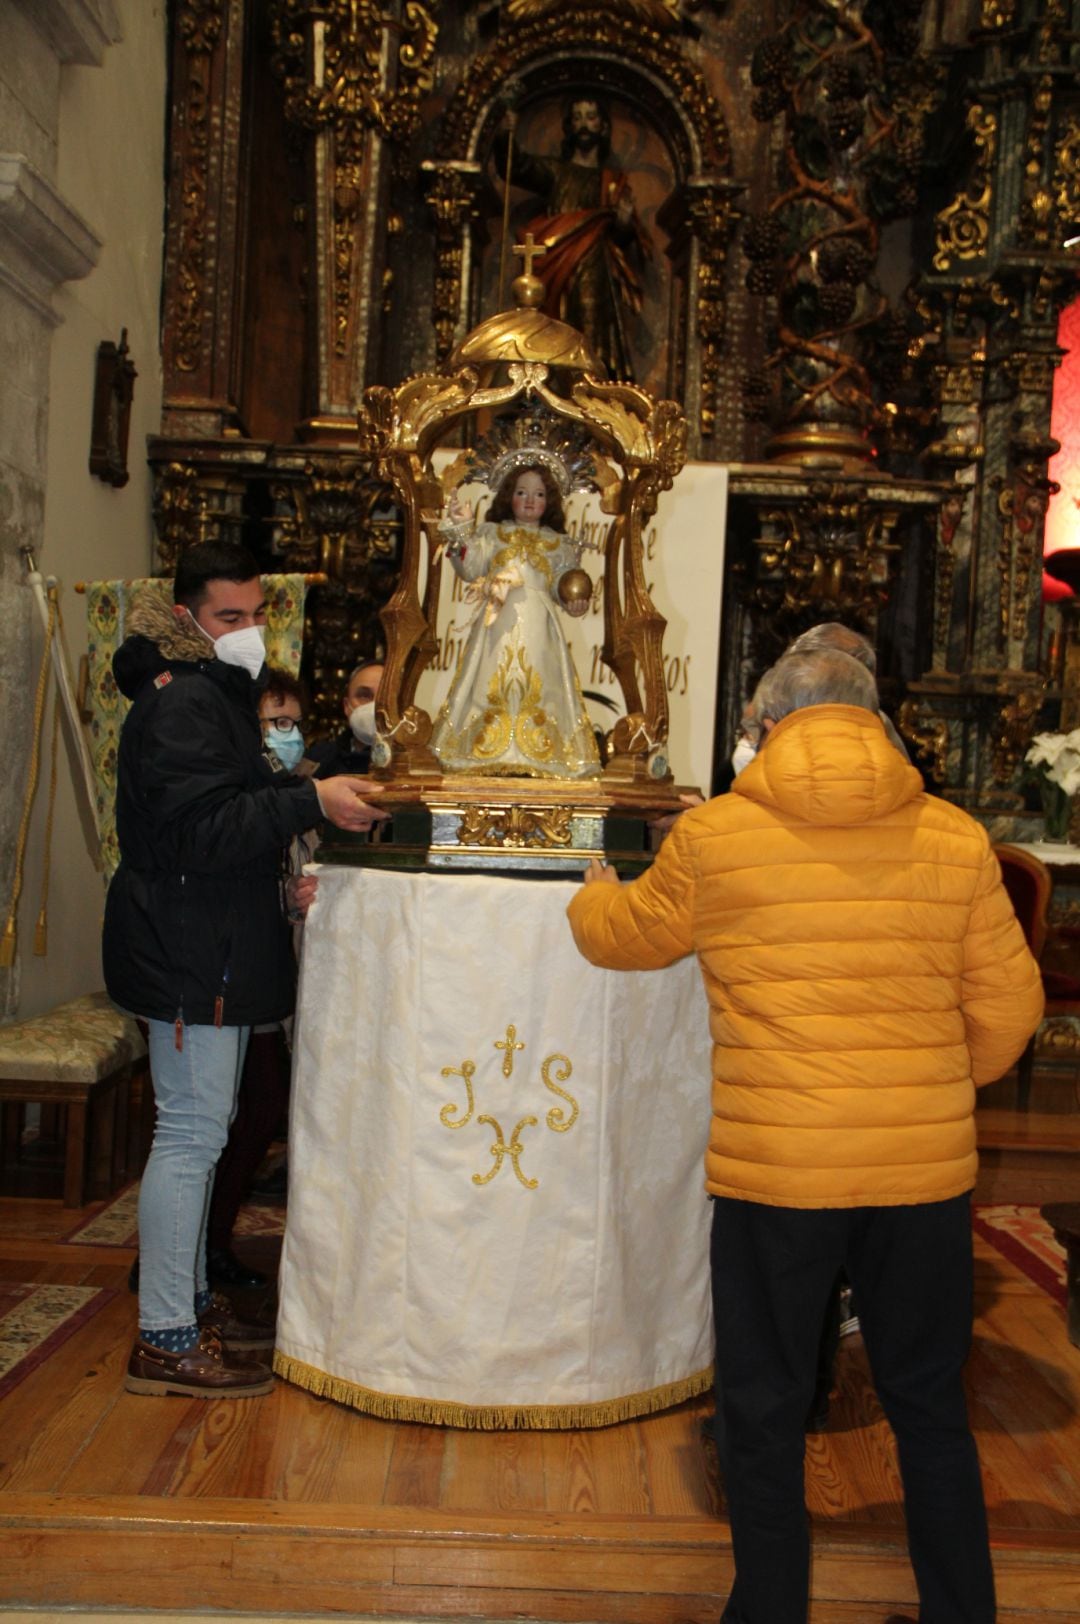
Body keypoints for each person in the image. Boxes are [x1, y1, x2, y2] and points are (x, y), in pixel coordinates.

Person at [567, 647, 1044, 1624]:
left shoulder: (719, 837)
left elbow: (623, 937)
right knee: (926, 1400)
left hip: (776, 1172)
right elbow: (1012, 1009)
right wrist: (939, 1085)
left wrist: (590, 885)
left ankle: (770, 1609)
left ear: (769, 727)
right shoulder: (955, 838)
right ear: (876, 723)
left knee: (765, 1402)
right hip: (920, 1173)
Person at [103, 540, 386, 1399]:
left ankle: (185, 1303)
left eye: (258, 615)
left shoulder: (207, 695)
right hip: (189, 949)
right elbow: (201, 831)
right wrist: (310, 800)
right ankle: (164, 1335)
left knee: (205, 1130)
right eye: (232, 617)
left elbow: (222, 824)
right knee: (189, 1137)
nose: (250, 632)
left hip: (204, 939)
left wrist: (285, 868)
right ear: (187, 617)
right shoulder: (183, 702)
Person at [204, 667, 311, 1289]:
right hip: (221, 978)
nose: (286, 735)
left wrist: (298, 897)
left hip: (260, 977)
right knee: (217, 1120)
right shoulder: (236, 796)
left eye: (294, 722)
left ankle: (208, 1246)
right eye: (275, 722)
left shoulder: (294, 793)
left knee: (258, 1108)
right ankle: (190, 1252)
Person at [430, 460, 601, 778]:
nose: (530, 500)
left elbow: (564, 582)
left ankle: (540, 748)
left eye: (538, 494)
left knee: (540, 674)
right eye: (522, 492)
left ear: (549, 501)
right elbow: (470, 568)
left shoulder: (558, 542)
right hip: (498, 620)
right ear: (509, 495)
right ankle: (482, 745)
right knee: (488, 674)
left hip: (538, 621)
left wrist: (573, 599)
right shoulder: (493, 533)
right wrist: (463, 529)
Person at [495, 96, 652, 380]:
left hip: (594, 266)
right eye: (577, 117)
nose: (583, 124)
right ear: (569, 126)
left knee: (592, 332)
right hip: (556, 265)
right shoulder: (557, 172)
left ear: (602, 126)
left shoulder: (612, 180)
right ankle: (557, 387)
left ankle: (591, 389)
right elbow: (517, 167)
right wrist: (506, 133)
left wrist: (624, 222)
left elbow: (624, 235)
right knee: (555, 329)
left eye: (590, 116)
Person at [307, 659, 384, 780]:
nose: (375, 705)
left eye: (384, 696)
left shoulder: (413, 763)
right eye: (364, 696)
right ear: (347, 706)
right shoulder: (318, 759)